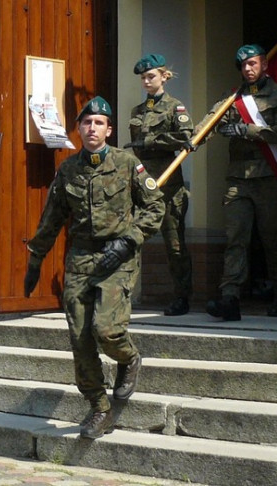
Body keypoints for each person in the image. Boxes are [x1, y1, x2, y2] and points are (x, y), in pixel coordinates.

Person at [23, 97, 164, 440]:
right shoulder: (68, 170)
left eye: (99, 123)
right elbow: (52, 218)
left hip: (119, 258)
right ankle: (99, 407)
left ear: (109, 129)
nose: (92, 129)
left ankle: (128, 359)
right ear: (79, 129)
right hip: (82, 259)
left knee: (107, 330)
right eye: (86, 123)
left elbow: (155, 207)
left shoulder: (128, 163)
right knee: (81, 336)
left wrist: (129, 240)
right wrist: (36, 259)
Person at [197, 44, 277, 322]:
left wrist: (249, 130)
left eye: (253, 64)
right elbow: (210, 121)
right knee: (235, 238)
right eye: (243, 65)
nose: (248, 69)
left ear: (265, 64)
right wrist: (194, 138)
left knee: (273, 239)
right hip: (237, 180)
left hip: (268, 177)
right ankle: (230, 298)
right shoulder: (233, 98)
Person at [125, 54, 195, 316]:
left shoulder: (175, 107)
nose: (146, 81)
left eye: (150, 76)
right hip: (143, 183)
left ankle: (181, 296)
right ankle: (123, 295)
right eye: (143, 78)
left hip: (168, 184)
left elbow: (186, 140)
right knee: (131, 238)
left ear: (164, 76)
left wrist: (153, 141)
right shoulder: (137, 111)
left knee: (174, 243)